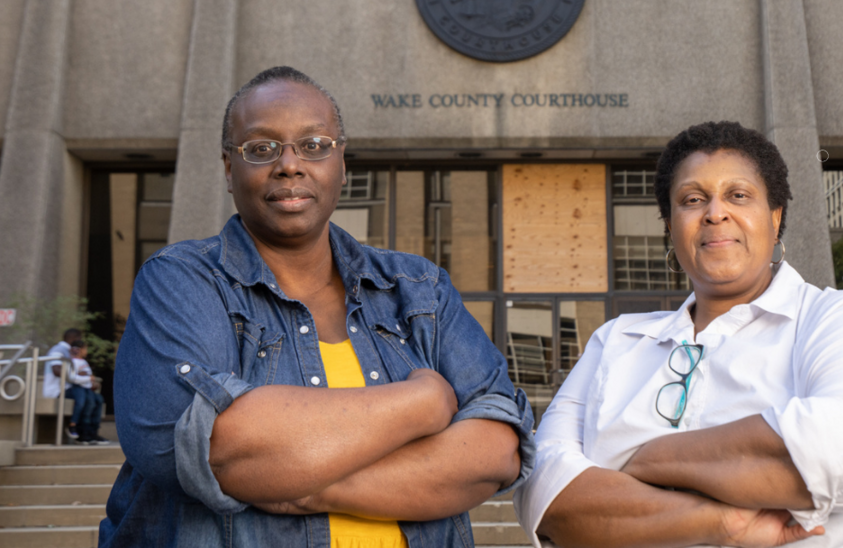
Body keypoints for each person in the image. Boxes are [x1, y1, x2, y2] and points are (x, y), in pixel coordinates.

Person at [100, 67, 534, 547]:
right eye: (261, 149)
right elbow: (199, 449)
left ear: (341, 163)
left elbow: (496, 451)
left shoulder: (417, 289)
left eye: (314, 145)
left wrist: (301, 485)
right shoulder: (183, 280)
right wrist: (423, 403)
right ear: (229, 168)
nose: (290, 165)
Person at [514, 121, 843, 547]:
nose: (715, 212)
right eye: (693, 199)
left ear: (775, 215)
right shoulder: (615, 340)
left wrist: (643, 458)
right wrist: (724, 522)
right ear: (670, 228)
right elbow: (547, 495)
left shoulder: (838, 317)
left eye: (738, 195)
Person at [63, 340, 109, 444]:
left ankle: (93, 432)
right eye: (85, 348)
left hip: (86, 388)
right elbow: (72, 378)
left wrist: (90, 381)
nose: (86, 351)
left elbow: (88, 377)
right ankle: (81, 429)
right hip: (77, 388)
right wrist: (88, 378)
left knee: (98, 400)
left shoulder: (83, 362)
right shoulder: (71, 361)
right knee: (88, 403)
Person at [41, 327, 83, 399]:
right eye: (80, 338)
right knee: (82, 396)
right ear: (74, 338)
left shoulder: (67, 351)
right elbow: (56, 370)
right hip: (56, 390)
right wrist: (76, 376)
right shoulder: (58, 349)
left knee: (94, 399)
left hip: (66, 388)